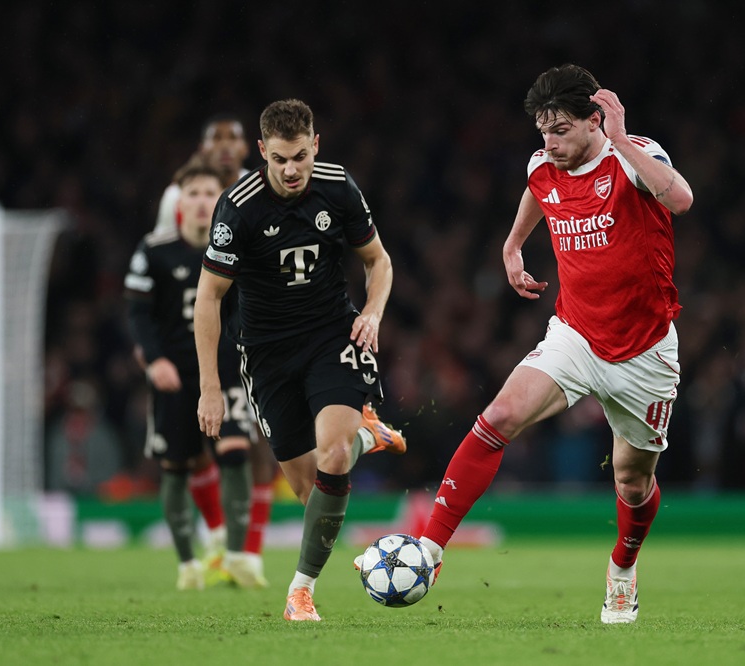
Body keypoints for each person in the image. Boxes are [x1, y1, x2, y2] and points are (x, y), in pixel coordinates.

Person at [412, 64, 693, 624]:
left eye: (561, 129)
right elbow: (537, 191)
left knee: (632, 482)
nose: (550, 142)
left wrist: (620, 139)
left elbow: (680, 200)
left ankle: (622, 568)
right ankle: (431, 549)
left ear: (595, 120)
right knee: (498, 416)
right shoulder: (544, 164)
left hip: (645, 351)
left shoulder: (633, 156)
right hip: (575, 335)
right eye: (543, 130)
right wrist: (514, 246)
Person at [195, 98, 398, 621]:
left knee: (331, 457)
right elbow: (209, 297)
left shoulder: (339, 187)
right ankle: (367, 436)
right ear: (262, 151)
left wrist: (373, 313)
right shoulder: (238, 208)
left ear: (316, 147)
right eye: (280, 158)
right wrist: (211, 388)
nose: (291, 170)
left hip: (334, 336)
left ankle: (299, 592)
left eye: (301, 157)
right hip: (266, 355)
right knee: (310, 488)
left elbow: (377, 260)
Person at [125, 159, 255, 590]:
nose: (202, 203)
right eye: (193, 194)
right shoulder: (154, 249)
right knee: (175, 467)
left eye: (209, 194)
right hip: (175, 376)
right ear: (179, 202)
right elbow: (137, 314)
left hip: (227, 371)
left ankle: (236, 555)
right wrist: (154, 358)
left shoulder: (236, 245)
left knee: (235, 451)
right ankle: (187, 564)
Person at [153, 114, 251, 234]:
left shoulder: (260, 189)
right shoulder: (176, 194)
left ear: (245, 148)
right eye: (216, 138)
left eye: (233, 138)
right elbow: (162, 247)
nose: (225, 145)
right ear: (202, 148)